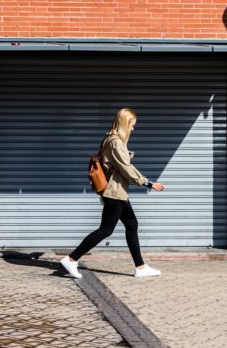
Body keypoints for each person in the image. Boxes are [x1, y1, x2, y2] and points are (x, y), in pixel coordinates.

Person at [60, 108, 165, 279]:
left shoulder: (111, 140)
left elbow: (115, 163)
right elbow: (125, 168)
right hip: (114, 192)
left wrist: (127, 155)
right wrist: (148, 183)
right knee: (106, 230)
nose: (133, 129)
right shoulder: (116, 142)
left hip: (118, 192)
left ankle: (140, 267)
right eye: (132, 125)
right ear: (125, 123)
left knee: (132, 225)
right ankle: (71, 259)